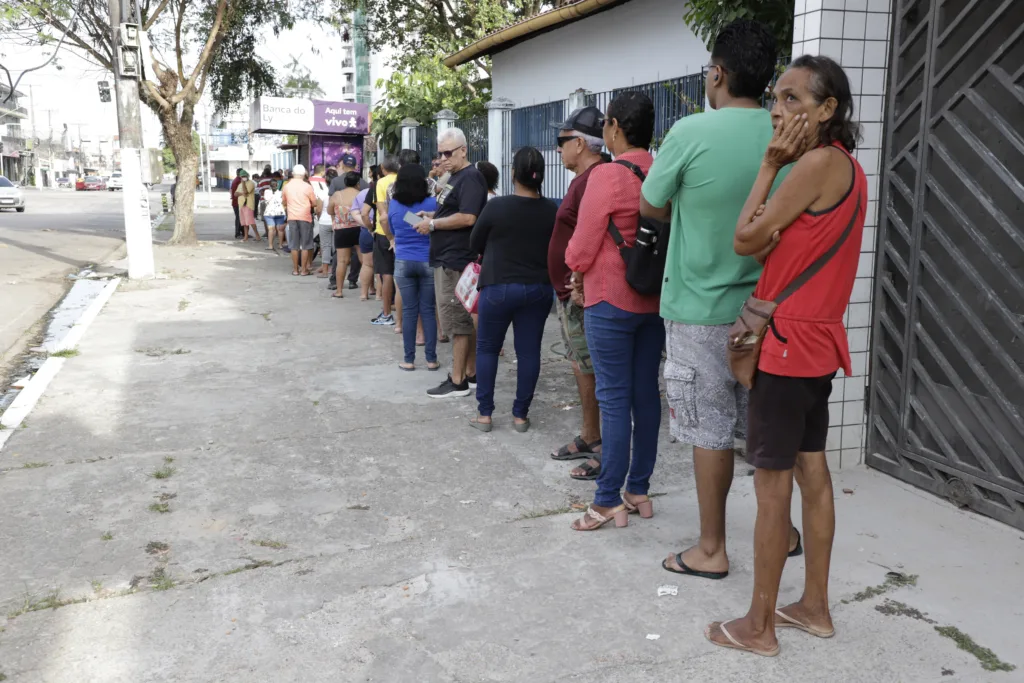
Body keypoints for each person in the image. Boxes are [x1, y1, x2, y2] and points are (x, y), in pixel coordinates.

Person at [705, 55, 866, 658]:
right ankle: (815, 608)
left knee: (772, 489)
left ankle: (759, 626)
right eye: (777, 97)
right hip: (818, 342)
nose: (779, 109)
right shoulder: (847, 169)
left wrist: (769, 166)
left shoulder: (811, 165)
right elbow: (765, 245)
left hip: (786, 345)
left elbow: (744, 238)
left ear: (828, 111)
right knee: (813, 472)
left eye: (795, 99)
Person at [638, 19, 802, 578]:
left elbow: (652, 205)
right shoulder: (787, 137)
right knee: (768, 425)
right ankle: (783, 531)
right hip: (769, 309)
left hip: (699, 312)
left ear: (717, 73)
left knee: (709, 431)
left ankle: (711, 549)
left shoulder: (689, 134)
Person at [565, 92, 662, 531]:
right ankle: (637, 489)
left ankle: (606, 500)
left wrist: (576, 272)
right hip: (654, 300)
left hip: (609, 299)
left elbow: (581, 247)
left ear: (616, 126)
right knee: (645, 395)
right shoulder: (661, 169)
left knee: (614, 399)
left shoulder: (606, 176)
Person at [468, 147, 556, 432]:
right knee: (529, 352)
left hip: (498, 286)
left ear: (513, 173)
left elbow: (474, 243)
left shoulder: (497, 206)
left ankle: (485, 415)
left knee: (487, 348)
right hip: (539, 290)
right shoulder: (552, 210)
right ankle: (520, 415)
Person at [548, 106, 607, 480]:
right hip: (570, 292)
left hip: (582, 293)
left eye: (562, 142)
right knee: (580, 365)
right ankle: (590, 434)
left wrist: (579, 279)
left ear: (581, 143)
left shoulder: (597, 179)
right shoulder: (581, 180)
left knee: (593, 368)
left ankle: (601, 444)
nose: (557, 150)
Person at [414, 128, 488, 398]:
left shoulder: (470, 177)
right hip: (447, 256)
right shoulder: (455, 177)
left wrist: (433, 223)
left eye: (448, 153)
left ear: (463, 150)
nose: (443, 158)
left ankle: (457, 380)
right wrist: (432, 214)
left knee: (457, 323)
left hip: (456, 259)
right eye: (440, 153)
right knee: (458, 321)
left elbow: (468, 217)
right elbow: (455, 211)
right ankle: (469, 374)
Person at [389, 164, 440, 371]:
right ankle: (431, 359)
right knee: (428, 310)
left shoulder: (393, 204)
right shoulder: (432, 203)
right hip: (427, 259)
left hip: (403, 261)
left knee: (409, 311)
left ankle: (409, 360)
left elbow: (393, 227)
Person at [371, 155, 400, 325]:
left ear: (383, 168)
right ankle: (403, 319)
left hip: (384, 232)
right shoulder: (405, 180)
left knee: (387, 274)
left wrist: (390, 236)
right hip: (404, 231)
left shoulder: (381, 183)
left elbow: (383, 213)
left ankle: (387, 313)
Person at [327, 171, 363, 299]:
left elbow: (329, 210)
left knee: (342, 261)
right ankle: (368, 289)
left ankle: (339, 291)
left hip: (342, 230)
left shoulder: (337, 195)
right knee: (365, 261)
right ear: (358, 184)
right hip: (359, 229)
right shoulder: (361, 195)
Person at [282, 163, 321, 276]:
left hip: (292, 217)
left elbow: (284, 202)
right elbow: (314, 203)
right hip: (305, 217)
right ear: (304, 174)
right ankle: (304, 270)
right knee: (305, 245)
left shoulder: (287, 186)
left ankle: (295, 270)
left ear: (293, 174)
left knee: (294, 245)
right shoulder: (307, 186)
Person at [359, 165, 382, 301]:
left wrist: (369, 228)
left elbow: (363, 213)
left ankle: (363, 293)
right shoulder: (397, 185)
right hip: (386, 233)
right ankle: (379, 295)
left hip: (372, 230)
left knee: (367, 264)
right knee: (382, 268)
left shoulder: (368, 190)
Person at [311, 165, 334, 278]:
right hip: (336, 222)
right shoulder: (339, 192)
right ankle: (335, 270)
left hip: (324, 221)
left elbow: (319, 209)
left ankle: (325, 271)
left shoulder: (322, 192)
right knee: (337, 247)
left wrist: (319, 218)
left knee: (325, 246)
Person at [262, 172, 286, 250]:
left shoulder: (266, 192)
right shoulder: (281, 193)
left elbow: (267, 199)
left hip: (269, 213)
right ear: (277, 185)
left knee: (271, 229)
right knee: (280, 229)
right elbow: (282, 201)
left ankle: (270, 245)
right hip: (280, 213)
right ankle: (280, 245)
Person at [235, 170, 260, 242]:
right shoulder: (239, 184)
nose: (243, 177)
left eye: (244, 176)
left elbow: (246, 192)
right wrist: (242, 193)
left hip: (248, 204)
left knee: (251, 222)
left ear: (247, 176)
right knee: (244, 222)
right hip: (241, 204)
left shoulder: (251, 183)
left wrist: (243, 183)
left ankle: (257, 235)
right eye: (242, 176)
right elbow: (235, 194)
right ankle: (245, 237)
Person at [230, 168, 244, 239]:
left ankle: (241, 232)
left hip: (236, 201)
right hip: (237, 202)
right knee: (239, 218)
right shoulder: (238, 181)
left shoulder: (236, 180)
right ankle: (238, 233)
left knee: (239, 217)